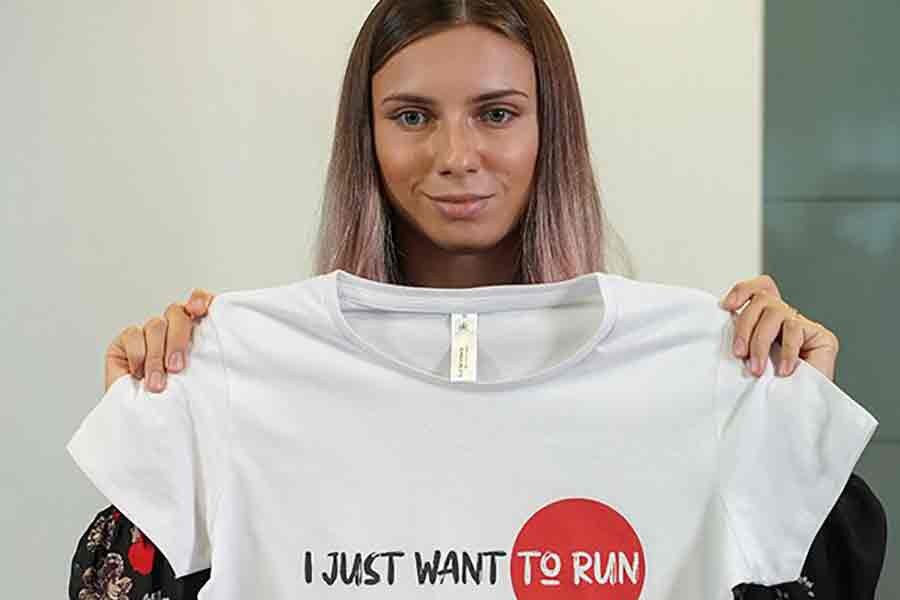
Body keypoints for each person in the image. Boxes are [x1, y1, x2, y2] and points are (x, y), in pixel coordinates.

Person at [68, 1, 885, 598]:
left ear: (548, 128)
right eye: (413, 115)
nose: (456, 155)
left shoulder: (697, 369)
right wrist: (163, 436)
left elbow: (832, 573)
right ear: (369, 135)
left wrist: (786, 409)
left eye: (496, 113)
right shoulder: (243, 368)